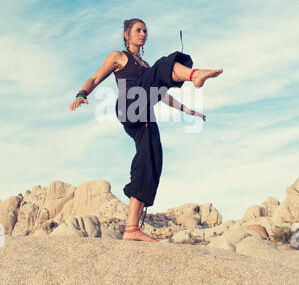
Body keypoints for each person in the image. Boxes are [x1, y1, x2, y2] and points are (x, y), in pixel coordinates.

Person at [69, 18, 223, 243]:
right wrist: (82, 93)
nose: (143, 34)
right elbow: (95, 77)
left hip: (145, 114)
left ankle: (131, 228)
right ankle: (195, 74)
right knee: (164, 65)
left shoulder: (147, 67)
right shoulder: (118, 57)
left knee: (151, 160)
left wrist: (187, 110)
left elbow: (162, 94)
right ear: (126, 34)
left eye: (145, 31)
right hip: (129, 104)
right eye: (138, 30)